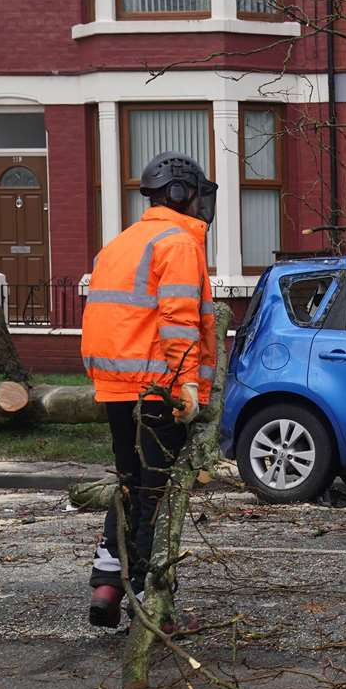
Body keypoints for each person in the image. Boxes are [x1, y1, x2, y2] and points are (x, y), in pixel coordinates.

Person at [80, 152, 218, 628]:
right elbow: (178, 321)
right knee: (154, 498)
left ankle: (107, 582)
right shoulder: (176, 243)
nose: (203, 205)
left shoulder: (121, 242)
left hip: (116, 388)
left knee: (128, 486)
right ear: (182, 194)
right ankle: (148, 602)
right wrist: (188, 388)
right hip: (155, 390)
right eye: (199, 194)